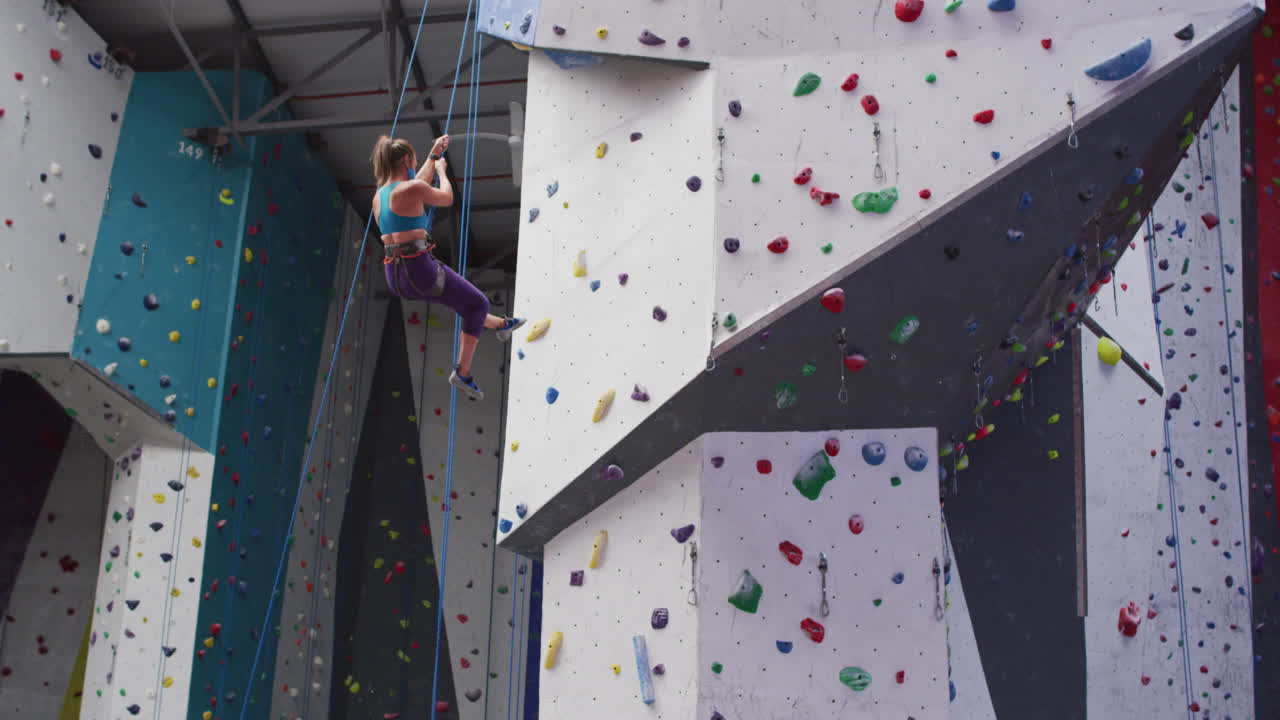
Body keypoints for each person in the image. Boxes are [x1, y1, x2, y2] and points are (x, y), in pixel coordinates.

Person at [370, 134, 524, 400]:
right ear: (406, 160)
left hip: (397, 274)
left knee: (461, 299)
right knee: (476, 304)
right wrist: (441, 170)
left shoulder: (380, 196)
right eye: (414, 161)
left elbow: (416, 184)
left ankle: (500, 325)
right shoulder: (409, 189)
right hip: (418, 270)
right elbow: (445, 198)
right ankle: (463, 373)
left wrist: (432, 156)